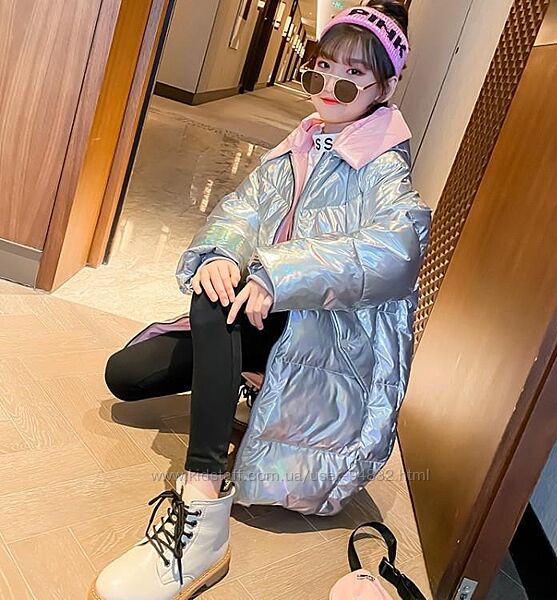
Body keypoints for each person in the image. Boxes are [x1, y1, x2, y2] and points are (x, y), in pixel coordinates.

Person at [90, 2, 432, 599]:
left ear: (383, 89)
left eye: (352, 75)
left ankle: (202, 514)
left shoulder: (383, 165)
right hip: (269, 317)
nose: (330, 85)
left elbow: (396, 249)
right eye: (322, 68)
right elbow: (244, 208)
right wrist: (223, 253)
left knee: (210, 306)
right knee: (128, 373)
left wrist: (277, 272)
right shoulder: (305, 139)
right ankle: (247, 375)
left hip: (328, 345)